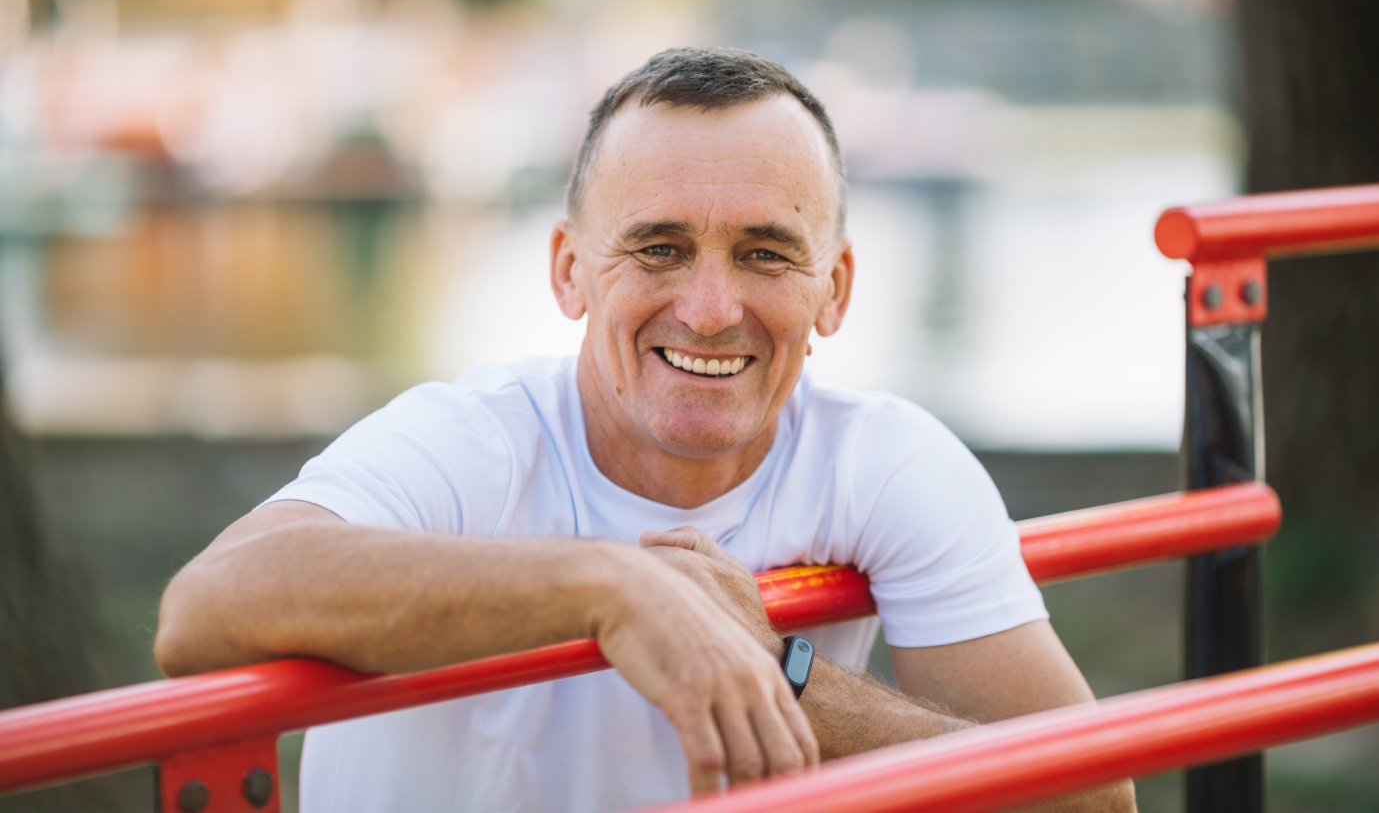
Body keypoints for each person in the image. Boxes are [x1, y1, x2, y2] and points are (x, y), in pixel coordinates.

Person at [156, 47, 1135, 812]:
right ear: (569, 271)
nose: (708, 309)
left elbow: (1090, 796)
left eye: (764, 253)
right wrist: (607, 586)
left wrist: (787, 673)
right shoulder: (470, 439)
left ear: (832, 289)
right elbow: (202, 609)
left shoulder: (883, 462)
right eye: (657, 249)